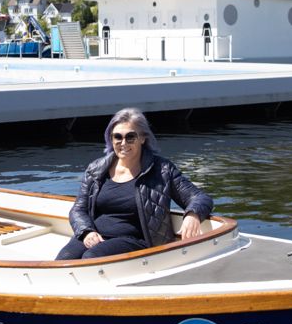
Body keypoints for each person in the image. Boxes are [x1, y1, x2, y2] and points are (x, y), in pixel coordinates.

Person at [56, 107, 213, 260]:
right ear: (111, 139)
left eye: (130, 137)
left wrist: (193, 214)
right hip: (94, 234)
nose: (123, 143)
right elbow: (78, 209)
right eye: (117, 137)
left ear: (143, 138)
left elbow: (200, 197)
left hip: (135, 240)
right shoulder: (96, 169)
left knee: (91, 257)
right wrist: (86, 232)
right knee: (65, 257)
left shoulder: (162, 170)